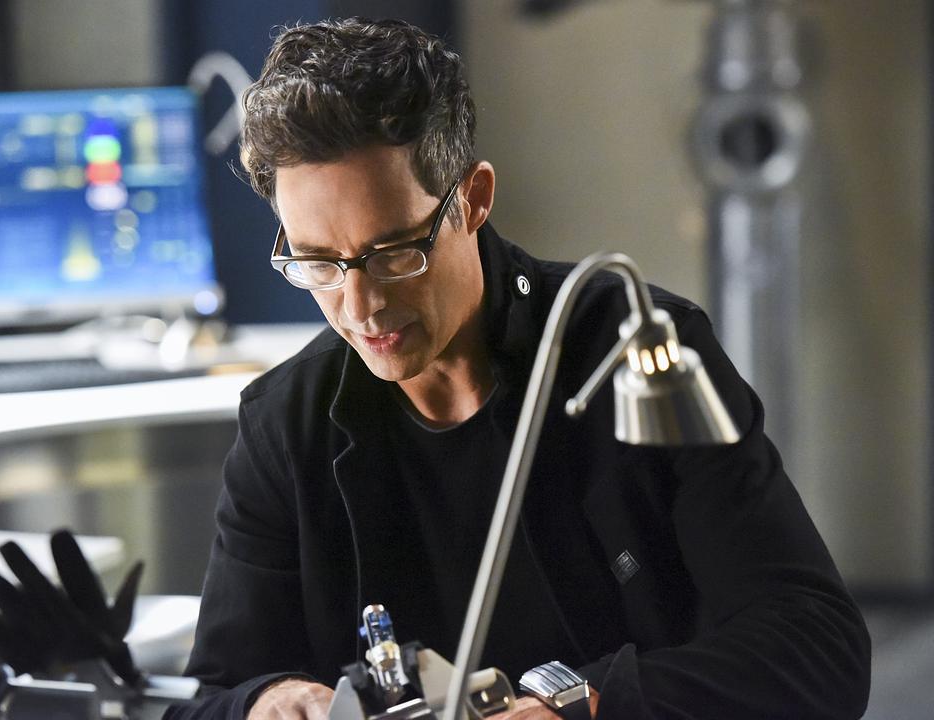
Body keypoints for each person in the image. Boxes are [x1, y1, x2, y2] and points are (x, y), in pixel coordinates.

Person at [165, 17, 870, 720]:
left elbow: (818, 649)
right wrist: (267, 700)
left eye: (395, 252)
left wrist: (584, 707)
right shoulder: (285, 423)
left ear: (473, 199)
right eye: (319, 261)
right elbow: (213, 697)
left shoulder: (637, 351)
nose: (361, 306)